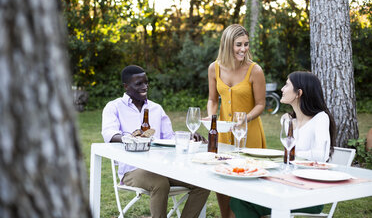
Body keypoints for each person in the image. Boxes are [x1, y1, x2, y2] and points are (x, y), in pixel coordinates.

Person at [102, 65, 210, 218]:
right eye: (139, 84)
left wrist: (188, 137)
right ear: (126, 86)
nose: (145, 87)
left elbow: (170, 138)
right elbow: (110, 134)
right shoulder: (114, 107)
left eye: (146, 82)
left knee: (203, 183)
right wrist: (132, 139)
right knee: (160, 183)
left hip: (163, 167)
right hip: (132, 170)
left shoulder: (156, 109)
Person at [230, 71, 336, 218]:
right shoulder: (288, 121)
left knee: (241, 201)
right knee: (239, 197)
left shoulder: (320, 118)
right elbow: (290, 156)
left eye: (287, 85)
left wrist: (287, 155)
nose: (282, 89)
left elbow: (321, 155)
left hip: (310, 194)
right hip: (287, 185)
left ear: (299, 93)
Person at [206, 24, 267, 218]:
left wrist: (244, 119)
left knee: (246, 180)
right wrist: (213, 119)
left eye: (246, 44)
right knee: (222, 177)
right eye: (238, 45)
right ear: (227, 45)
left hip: (249, 132)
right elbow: (212, 99)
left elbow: (260, 104)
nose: (243, 49)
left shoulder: (254, 70)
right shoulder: (214, 68)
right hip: (223, 132)